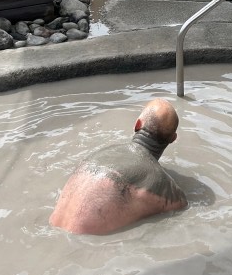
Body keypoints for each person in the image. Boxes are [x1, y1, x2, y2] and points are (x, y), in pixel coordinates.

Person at [50, 98, 188, 235]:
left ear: (137, 124)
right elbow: (181, 210)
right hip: (87, 243)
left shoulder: (101, 152)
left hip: (52, 226)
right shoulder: (164, 187)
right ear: (173, 139)